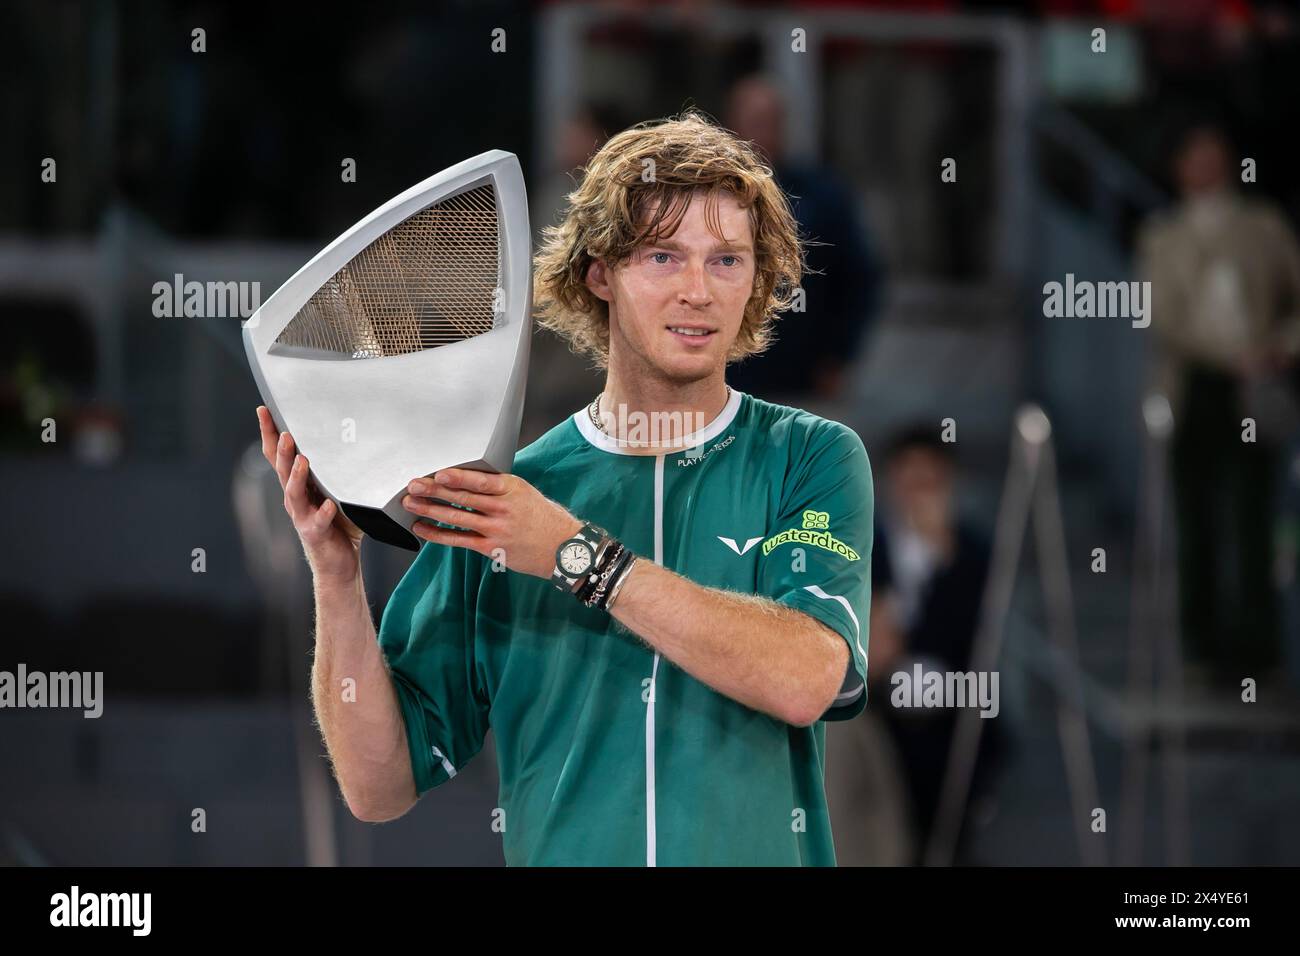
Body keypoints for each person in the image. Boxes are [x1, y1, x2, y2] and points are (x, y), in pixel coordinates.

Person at [255, 110, 875, 865]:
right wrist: (338, 578)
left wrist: (576, 557)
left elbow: (808, 677)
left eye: (726, 261)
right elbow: (378, 786)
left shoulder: (811, 457)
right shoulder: (505, 497)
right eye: (663, 257)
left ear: (758, 280)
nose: (698, 291)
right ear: (599, 273)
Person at [1138, 122, 1300, 682]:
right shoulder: (1163, 234)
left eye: (1214, 153)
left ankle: (1257, 649)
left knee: (1254, 516)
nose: (1204, 164)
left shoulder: (1264, 225)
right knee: (1197, 517)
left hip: (1258, 383)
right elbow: (1163, 316)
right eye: (1193, 154)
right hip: (1197, 385)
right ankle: (1202, 648)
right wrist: (1230, 354)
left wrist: (1277, 349)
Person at [723, 75, 882, 404]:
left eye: (769, 121)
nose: (759, 133)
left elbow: (859, 280)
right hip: (723, 373)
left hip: (801, 374)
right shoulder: (703, 195)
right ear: (731, 126)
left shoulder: (822, 196)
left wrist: (839, 356)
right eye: (752, 120)